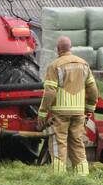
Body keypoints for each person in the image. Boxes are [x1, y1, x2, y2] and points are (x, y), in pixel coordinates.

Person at [37, 35, 99, 176]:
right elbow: (93, 90)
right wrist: (89, 109)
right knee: (77, 142)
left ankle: (59, 177)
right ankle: (82, 175)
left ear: (58, 49)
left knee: (59, 143)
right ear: (70, 48)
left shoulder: (55, 66)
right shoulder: (83, 64)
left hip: (60, 113)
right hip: (78, 113)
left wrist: (42, 111)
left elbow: (50, 92)